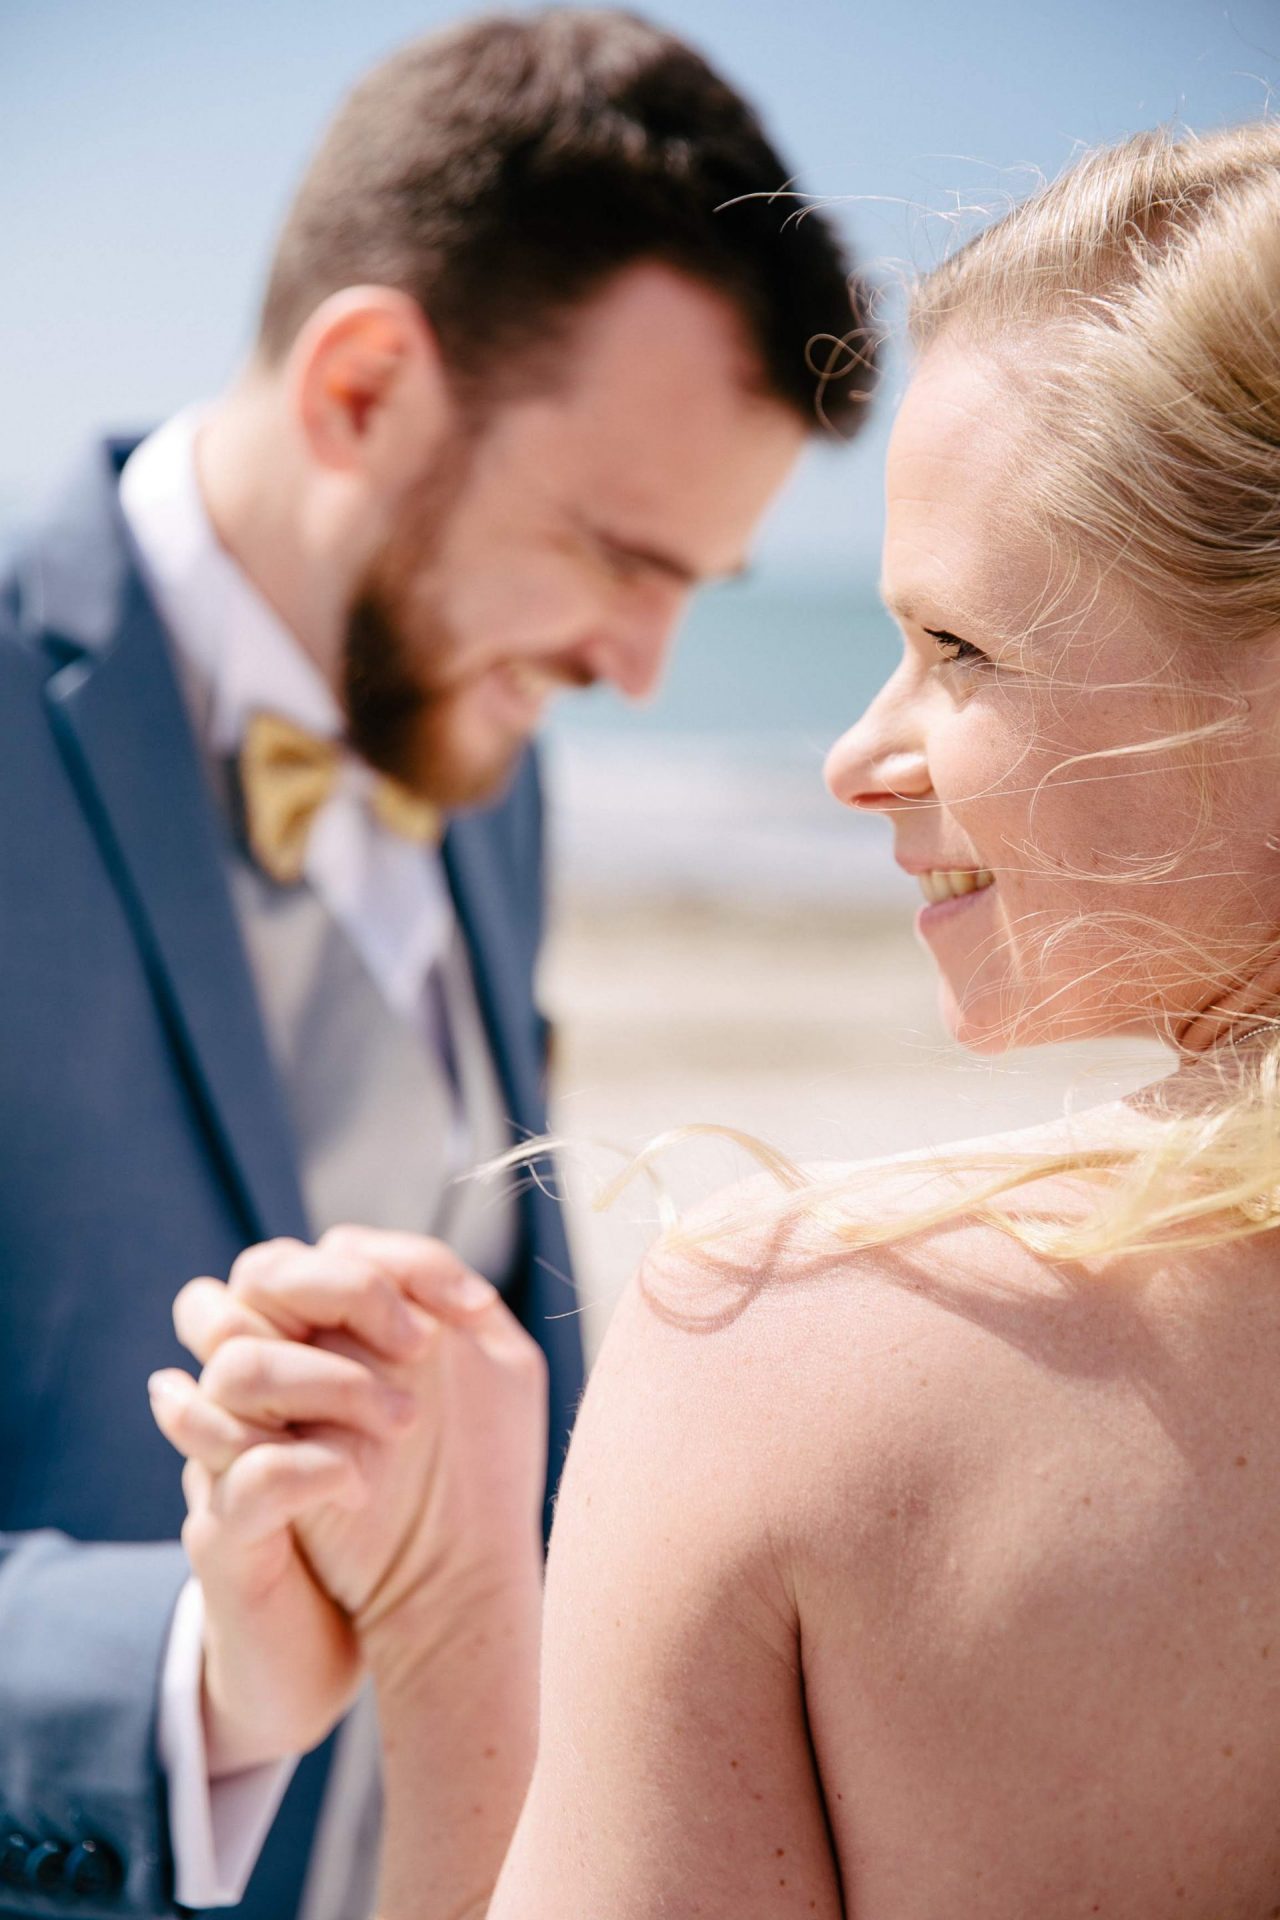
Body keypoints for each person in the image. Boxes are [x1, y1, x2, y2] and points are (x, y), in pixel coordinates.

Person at [156, 114, 1280, 1917]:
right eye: (615, 553)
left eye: (961, 648)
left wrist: (456, 1625)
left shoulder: (793, 1349)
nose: (850, 753)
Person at [0, 11, 868, 1917]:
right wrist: (189, 1675)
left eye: (694, 592)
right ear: (367, 385)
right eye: (618, 555)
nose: (640, 670)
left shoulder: (489, 750)